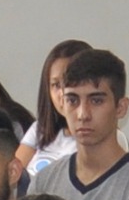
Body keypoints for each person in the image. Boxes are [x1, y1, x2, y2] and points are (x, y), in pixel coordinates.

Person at [32, 44, 129, 200]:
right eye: (73, 100)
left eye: (96, 101)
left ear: (121, 108)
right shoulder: (43, 182)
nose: (83, 114)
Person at [17, 38, 90, 179]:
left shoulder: (96, 137)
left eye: (70, 82)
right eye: (56, 85)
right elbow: (12, 176)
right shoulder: (40, 128)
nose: (63, 93)